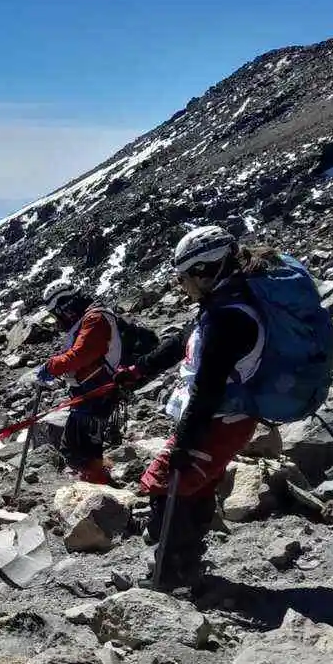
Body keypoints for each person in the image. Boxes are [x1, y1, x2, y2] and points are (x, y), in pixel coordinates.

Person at [114, 226, 280, 589]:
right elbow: (183, 341)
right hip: (227, 419)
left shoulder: (227, 318)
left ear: (206, 271)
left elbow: (208, 388)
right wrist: (138, 370)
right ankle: (185, 565)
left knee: (166, 485)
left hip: (217, 420)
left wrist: (185, 442)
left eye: (184, 277)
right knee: (197, 487)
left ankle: (170, 575)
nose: (181, 286)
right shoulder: (225, 304)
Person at [18, 281, 122, 484]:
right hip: (89, 391)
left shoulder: (95, 319)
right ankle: (96, 485)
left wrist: (52, 366)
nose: (58, 319)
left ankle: (101, 494)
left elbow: (81, 355)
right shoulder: (88, 319)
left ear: (64, 305)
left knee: (83, 450)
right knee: (78, 448)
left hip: (97, 392)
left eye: (56, 313)